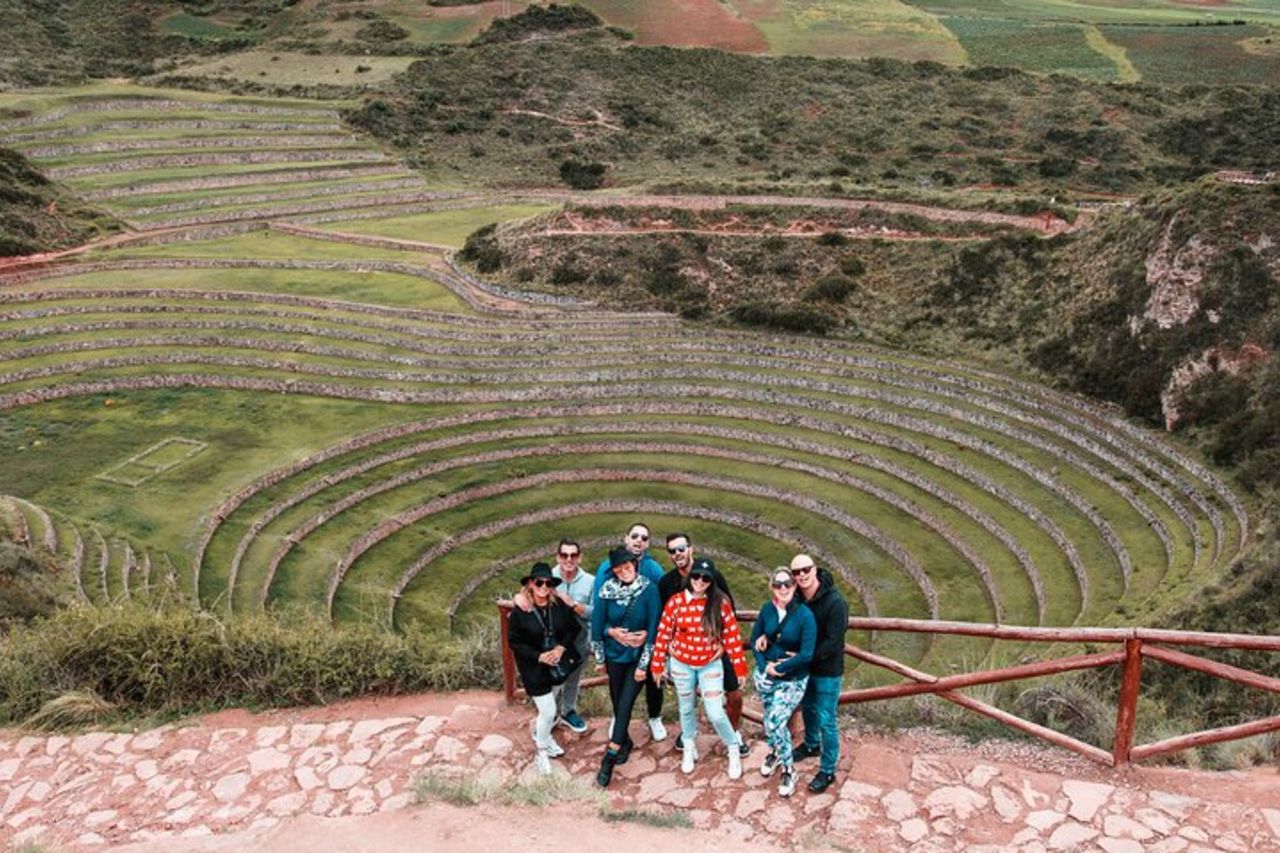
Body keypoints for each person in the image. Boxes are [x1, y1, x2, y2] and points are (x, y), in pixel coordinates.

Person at [649, 558, 748, 779]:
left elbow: (732, 635)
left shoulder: (719, 603)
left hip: (709, 663)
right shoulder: (675, 602)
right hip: (681, 663)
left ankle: (733, 746)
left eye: (706, 578)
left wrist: (740, 668)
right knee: (685, 708)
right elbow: (663, 633)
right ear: (689, 577)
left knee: (715, 712)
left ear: (712, 581)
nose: (700, 581)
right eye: (696, 576)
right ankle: (689, 745)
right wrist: (657, 665)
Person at [590, 547, 661, 787]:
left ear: (635, 564)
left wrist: (644, 665)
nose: (624, 571)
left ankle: (610, 756)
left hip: (638, 658)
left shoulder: (650, 590)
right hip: (614, 656)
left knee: (626, 704)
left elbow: (654, 630)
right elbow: (598, 624)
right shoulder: (606, 590)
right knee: (617, 701)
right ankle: (626, 741)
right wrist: (602, 654)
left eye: (627, 566)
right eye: (618, 568)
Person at [505, 562, 582, 775]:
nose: (544, 587)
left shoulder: (558, 605)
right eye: (539, 583)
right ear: (530, 584)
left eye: (548, 583)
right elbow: (514, 642)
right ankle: (541, 752)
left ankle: (545, 737)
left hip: (556, 665)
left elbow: (574, 627)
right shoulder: (521, 610)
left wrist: (561, 648)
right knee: (548, 711)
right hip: (534, 668)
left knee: (549, 709)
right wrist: (538, 656)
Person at [592, 522, 666, 740]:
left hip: (644, 643)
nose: (639, 541)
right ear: (626, 538)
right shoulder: (606, 570)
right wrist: (610, 632)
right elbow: (600, 612)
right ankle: (619, 720)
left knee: (653, 681)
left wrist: (649, 634)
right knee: (617, 686)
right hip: (615, 643)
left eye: (644, 538)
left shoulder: (653, 570)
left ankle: (654, 717)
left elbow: (659, 605)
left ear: (648, 544)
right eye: (635, 536)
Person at [749, 567, 816, 798]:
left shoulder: (805, 616)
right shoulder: (767, 610)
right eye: (778, 584)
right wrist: (764, 666)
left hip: (792, 680)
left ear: (794, 586)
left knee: (775, 722)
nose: (783, 588)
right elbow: (754, 640)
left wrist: (780, 668)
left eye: (787, 583)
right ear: (772, 588)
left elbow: (806, 654)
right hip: (766, 677)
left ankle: (789, 769)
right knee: (771, 720)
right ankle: (775, 751)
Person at [791, 553, 849, 794]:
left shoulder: (835, 602)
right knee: (808, 709)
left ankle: (827, 770)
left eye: (806, 569)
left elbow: (834, 641)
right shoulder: (795, 598)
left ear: (815, 569)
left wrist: (805, 657)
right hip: (805, 670)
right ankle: (811, 745)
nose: (802, 575)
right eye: (797, 572)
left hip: (827, 670)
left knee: (827, 719)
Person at [551, 538, 593, 734]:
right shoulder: (548, 577)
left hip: (579, 639)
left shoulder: (590, 581)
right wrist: (519, 598)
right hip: (552, 642)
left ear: (580, 557)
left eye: (573, 555)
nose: (569, 559)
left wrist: (573, 604)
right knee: (551, 680)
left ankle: (568, 711)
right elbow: (529, 594)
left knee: (573, 679)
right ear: (558, 557)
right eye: (564, 555)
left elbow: (595, 612)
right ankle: (549, 715)